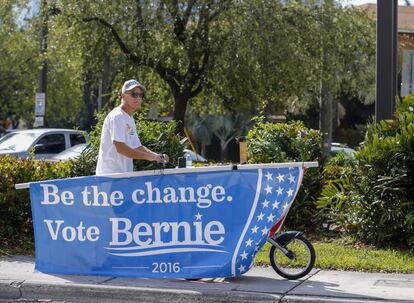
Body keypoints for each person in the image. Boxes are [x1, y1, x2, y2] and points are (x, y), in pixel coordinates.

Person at [96, 79, 169, 175]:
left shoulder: (129, 119)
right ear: (122, 96)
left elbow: (137, 146)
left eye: (140, 95)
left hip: (122, 176)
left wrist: (157, 156)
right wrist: (150, 157)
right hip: (110, 176)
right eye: (133, 94)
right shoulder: (118, 116)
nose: (138, 98)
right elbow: (120, 148)